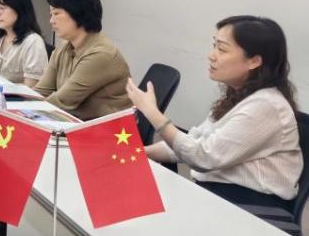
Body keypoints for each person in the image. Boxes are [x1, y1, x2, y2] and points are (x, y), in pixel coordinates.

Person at [127, 16, 302, 216]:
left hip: (253, 209)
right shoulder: (237, 95)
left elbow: (202, 157)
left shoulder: (266, 105)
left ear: (254, 61)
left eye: (222, 49)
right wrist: (138, 153)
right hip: (219, 196)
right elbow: (191, 142)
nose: (212, 56)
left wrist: (152, 113)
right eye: (214, 46)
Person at [35, 0, 131, 120]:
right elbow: (42, 91)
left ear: (79, 14)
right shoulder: (64, 47)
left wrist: (26, 113)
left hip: (110, 128)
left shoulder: (101, 54)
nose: (51, 21)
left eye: (56, 13)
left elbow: (62, 101)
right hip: (78, 122)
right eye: (51, 14)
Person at [0, 0, 49, 86]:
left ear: (19, 9)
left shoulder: (32, 42)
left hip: (17, 96)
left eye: (2, 8)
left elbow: (31, 87)